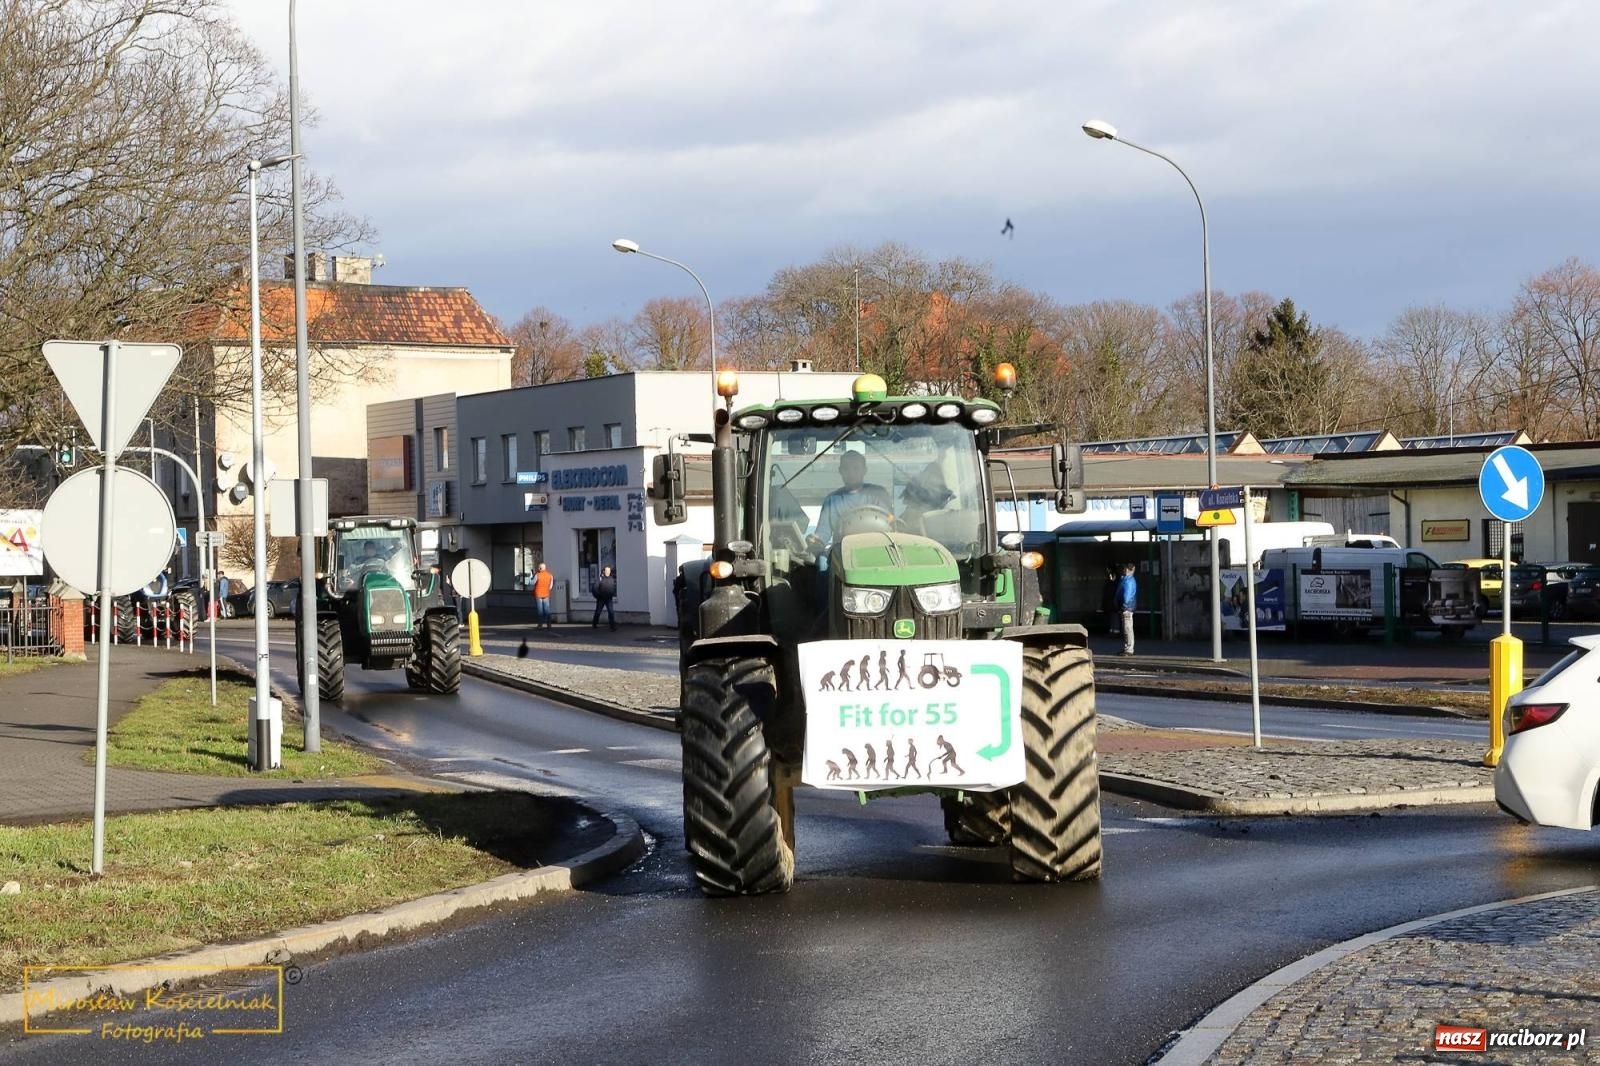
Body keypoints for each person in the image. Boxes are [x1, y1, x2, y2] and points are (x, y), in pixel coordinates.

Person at [813, 451, 891, 546]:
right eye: (846, 469)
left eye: (856, 468)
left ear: (864, 470)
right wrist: (815, 540)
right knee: (821, 559)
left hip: (878, 548)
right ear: (840, 471)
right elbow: (823, 533)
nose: (851, 473)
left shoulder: (878, 494)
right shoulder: (831, 501)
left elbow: (890, 520)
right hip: (842, 554)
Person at [1118, 563, 1138, 656]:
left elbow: (1126, 596)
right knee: (1127, 629)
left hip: (1127, 607)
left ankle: (1129, 649)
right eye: (1126, 569)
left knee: (1128, 628)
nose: (1126, 571)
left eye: (1128, 569)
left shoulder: (1128, 581)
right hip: (1126, 607)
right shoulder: (1126, 580)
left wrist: (1124, 605)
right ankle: (1127, 648)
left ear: (1132, 570)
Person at [592, 565, 617, 631]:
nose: (608, 572)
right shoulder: (600, 579)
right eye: (607, 571)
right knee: (598, 612)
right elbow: (594, 588)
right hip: (601, 599)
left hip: (609, 598)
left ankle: (612, 626)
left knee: (611, 612)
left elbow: (613, 587)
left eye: (609, 571)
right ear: (603, 571)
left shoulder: (611, 579)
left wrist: (612, 594)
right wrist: (598, 596)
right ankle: (594, 623)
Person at [531, 562, 554, 630]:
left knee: (540, 610)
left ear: (540, 568)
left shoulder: (537, 575)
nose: (538, 568)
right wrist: (547, 590)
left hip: (538, 594)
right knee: (547, 610)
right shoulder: (550, 575)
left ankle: (540, 625)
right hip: (546, 594)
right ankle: (549, 625)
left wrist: (531, 577)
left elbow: (531, 583)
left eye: (538, 567)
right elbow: (551, 586)